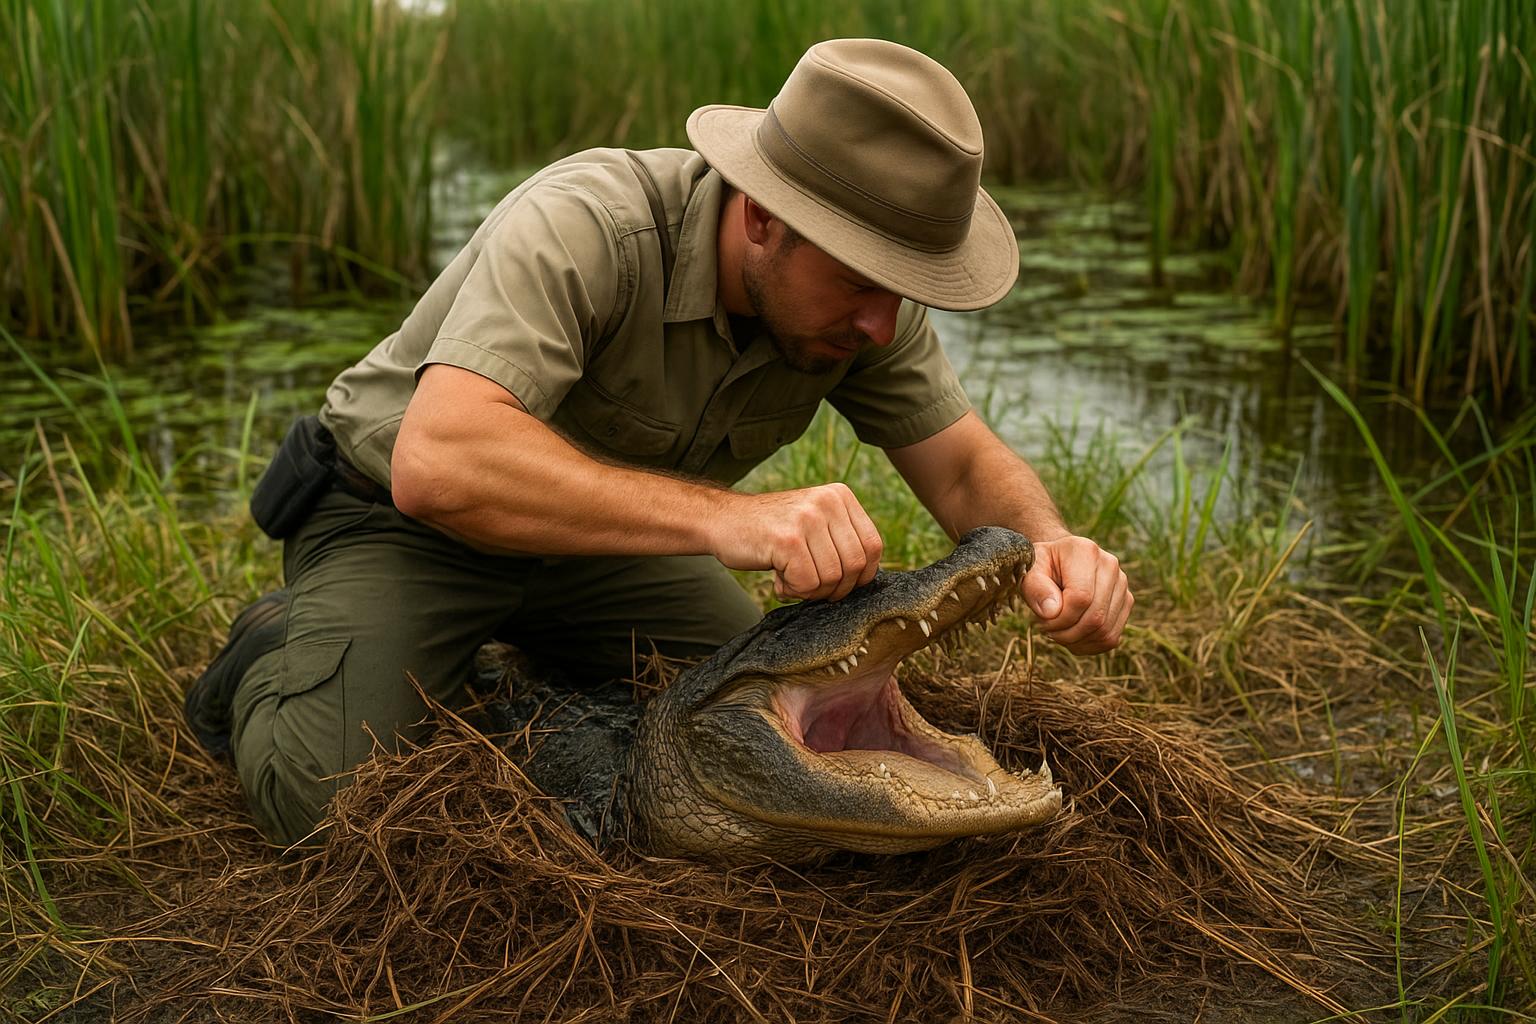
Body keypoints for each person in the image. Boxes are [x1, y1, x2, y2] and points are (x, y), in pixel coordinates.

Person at [185, 38, 1133, 847]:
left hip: (603, 550)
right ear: (763, 219)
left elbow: (966, 465)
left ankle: (504, 667)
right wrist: (736, 521)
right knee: (329, 802)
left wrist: (1054, 548)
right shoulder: (588, 224)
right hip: (399, 522)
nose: (884, 324)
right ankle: (274, 647)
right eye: (862, 282)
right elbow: (439, 465)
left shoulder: (859, 313)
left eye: (905, 287)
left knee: (751, 709)